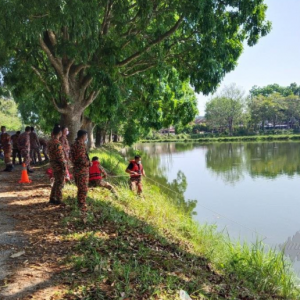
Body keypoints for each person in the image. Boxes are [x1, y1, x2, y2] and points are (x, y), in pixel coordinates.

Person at [70, 130, 90, 212]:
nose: (86, 138)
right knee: (83, 188)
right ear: (83, 136)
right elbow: (81, 159)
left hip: (77, 169)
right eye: (86, 136)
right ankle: (81, 205)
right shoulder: (80, 145)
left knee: (80, 188)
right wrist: (89, 163)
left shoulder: (74, 144)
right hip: (82, 170)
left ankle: (80, 204)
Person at [48, 125, 67, 205]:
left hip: (53, 164)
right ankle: (58, 199)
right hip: (59, 165)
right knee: (60, 182)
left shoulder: (50, 142)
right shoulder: (57, 143)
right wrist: (64, 166)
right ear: (60, 133)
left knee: (56, 181)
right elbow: (60, 157)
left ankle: (52, 198)